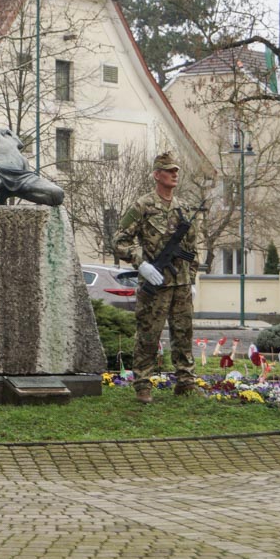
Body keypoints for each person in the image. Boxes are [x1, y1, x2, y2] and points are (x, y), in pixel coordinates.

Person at [112, 151, 198, 403]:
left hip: (180, 283)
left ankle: (185, 382)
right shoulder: (142, 206)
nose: (174, 174)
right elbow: (119, 240)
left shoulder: (184, 209)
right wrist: (142, 264)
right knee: (149, 334)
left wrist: (191, 279)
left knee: (184, 334)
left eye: (176, 170)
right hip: (155, 283)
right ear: (156, 175)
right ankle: (142, 385)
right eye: (169, 170)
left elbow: (192, 249)